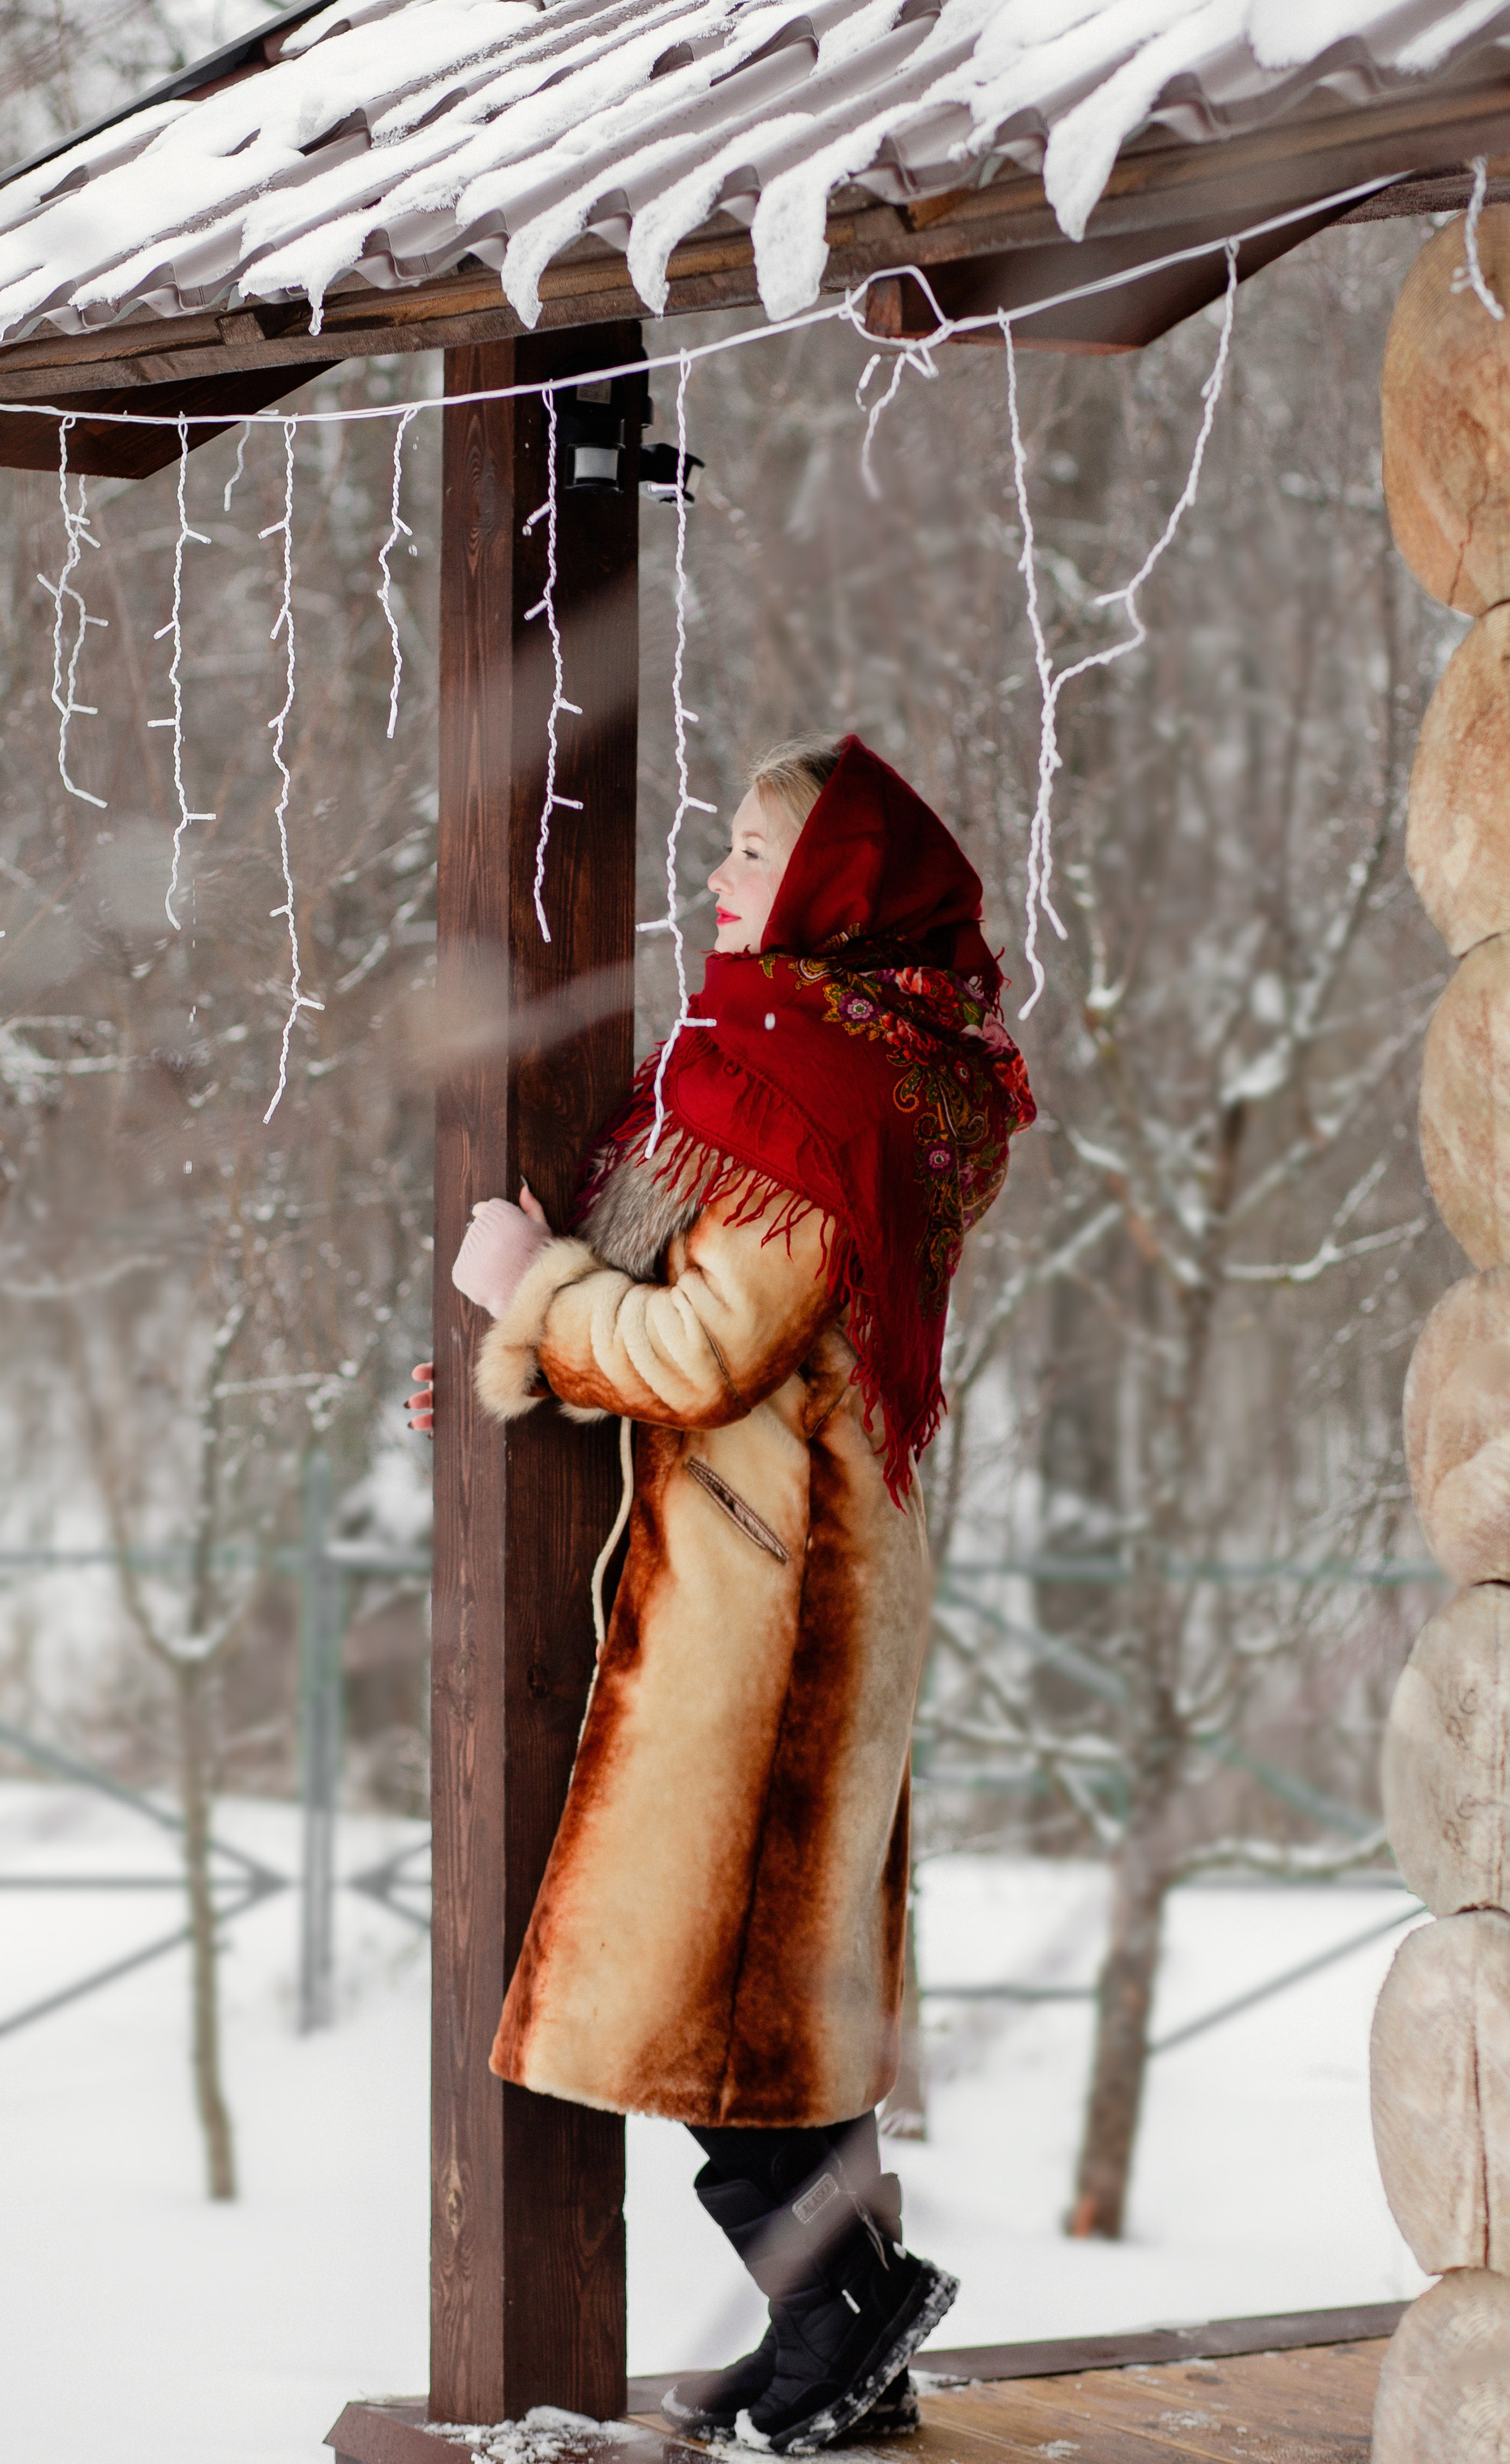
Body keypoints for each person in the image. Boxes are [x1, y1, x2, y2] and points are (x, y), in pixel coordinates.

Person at [409, 734, 1034, 2453]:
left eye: (751, 858)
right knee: (784, 1991)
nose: (717, 884)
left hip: (770, 1610)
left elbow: (699, 1346)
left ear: (832, 887)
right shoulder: (870, 1068)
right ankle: (827, 2325)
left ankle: (846, 2305)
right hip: (819, 1571)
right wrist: (542, 1320)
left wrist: (536, 1286)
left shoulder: (816, 1094)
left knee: (717, 1988)